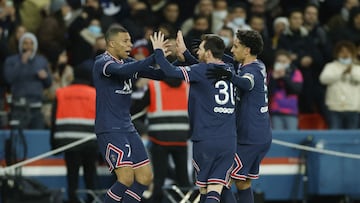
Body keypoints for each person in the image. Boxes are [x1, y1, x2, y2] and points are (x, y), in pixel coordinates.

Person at [151, 31, 237, 203]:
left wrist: (158, 51)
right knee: (218, 186)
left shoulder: (201, 70)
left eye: (200, 49)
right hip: (228, 139)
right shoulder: (230, 69)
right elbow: (204, 69)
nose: (197, 52)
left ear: (209, 53)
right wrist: (185, 53)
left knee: (208, 188)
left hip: (206, 138)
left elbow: (169, 71)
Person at [92, 26, 165, 203]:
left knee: (145, 178)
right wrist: (155, 55)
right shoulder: (103, 62)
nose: (130, 45)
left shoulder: (128, 63)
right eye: (125, 41)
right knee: (125, 178)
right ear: (111, 43)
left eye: (130, 41)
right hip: (110, 128)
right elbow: (123, 72)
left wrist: (178, 61)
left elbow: (158, 74)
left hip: (127, 128)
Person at [206, 30, 272, 203]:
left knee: (221, 178)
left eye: (236, 46)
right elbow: (230, 62)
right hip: (260, 135)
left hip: (250, 137)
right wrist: (213, 54)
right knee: (242, 183)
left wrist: (230, 76)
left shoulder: (252, 71)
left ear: (247, 50)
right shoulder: (258, 65)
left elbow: (247, 83)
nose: (232, 50)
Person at [50, 65, 98, 203]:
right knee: (90, 176)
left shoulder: (61, 93)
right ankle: (91, 199)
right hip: (90, 141)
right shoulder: (94, 93)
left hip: (68, 141)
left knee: (72, 176)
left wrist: (53, 144)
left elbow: (54, 119)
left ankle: (72, 199)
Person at [146, 78, 191, 203]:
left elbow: (136, 109)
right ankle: (185, 200)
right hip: (181, 138)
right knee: (183, 178)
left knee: (159, 177)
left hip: (159, 139)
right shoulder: (187, 87)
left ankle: (157, 201)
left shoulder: (154, 86)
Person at [3, 32, 52, 129]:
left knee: (37, 138)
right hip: (18, 107)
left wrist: (45, 77)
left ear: (35, 45)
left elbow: (48, 83)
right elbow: (8, 79)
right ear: (21, 45)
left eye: (31, 43)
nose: (28, 46)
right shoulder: (11, 60)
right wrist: (22, 63)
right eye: (25, 43)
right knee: (18, 139)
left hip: (36, 107)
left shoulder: (41, 61)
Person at [319, 40, 360, 129]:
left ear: (352, 54)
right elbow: (323, 79)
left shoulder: (357, 68)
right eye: (342, 52)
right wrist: (341, 73)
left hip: (353, 107)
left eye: (348, 52)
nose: (345, 54)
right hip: (335, 107)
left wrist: (351, 72)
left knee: (352, 137)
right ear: (337, 54)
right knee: (335, 134)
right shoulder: (330, 66)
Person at [268, 50, 303, 130]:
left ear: (289, 61)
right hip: (275, 111)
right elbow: (268, 93)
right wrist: (273, 79)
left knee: (291, 136)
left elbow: (296, 90)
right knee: (278, 138)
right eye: (279, 61)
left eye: (284, 61)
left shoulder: (296, 72)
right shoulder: (271, 73)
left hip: (291, 112)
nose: (281, 63)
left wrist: (284, 77)